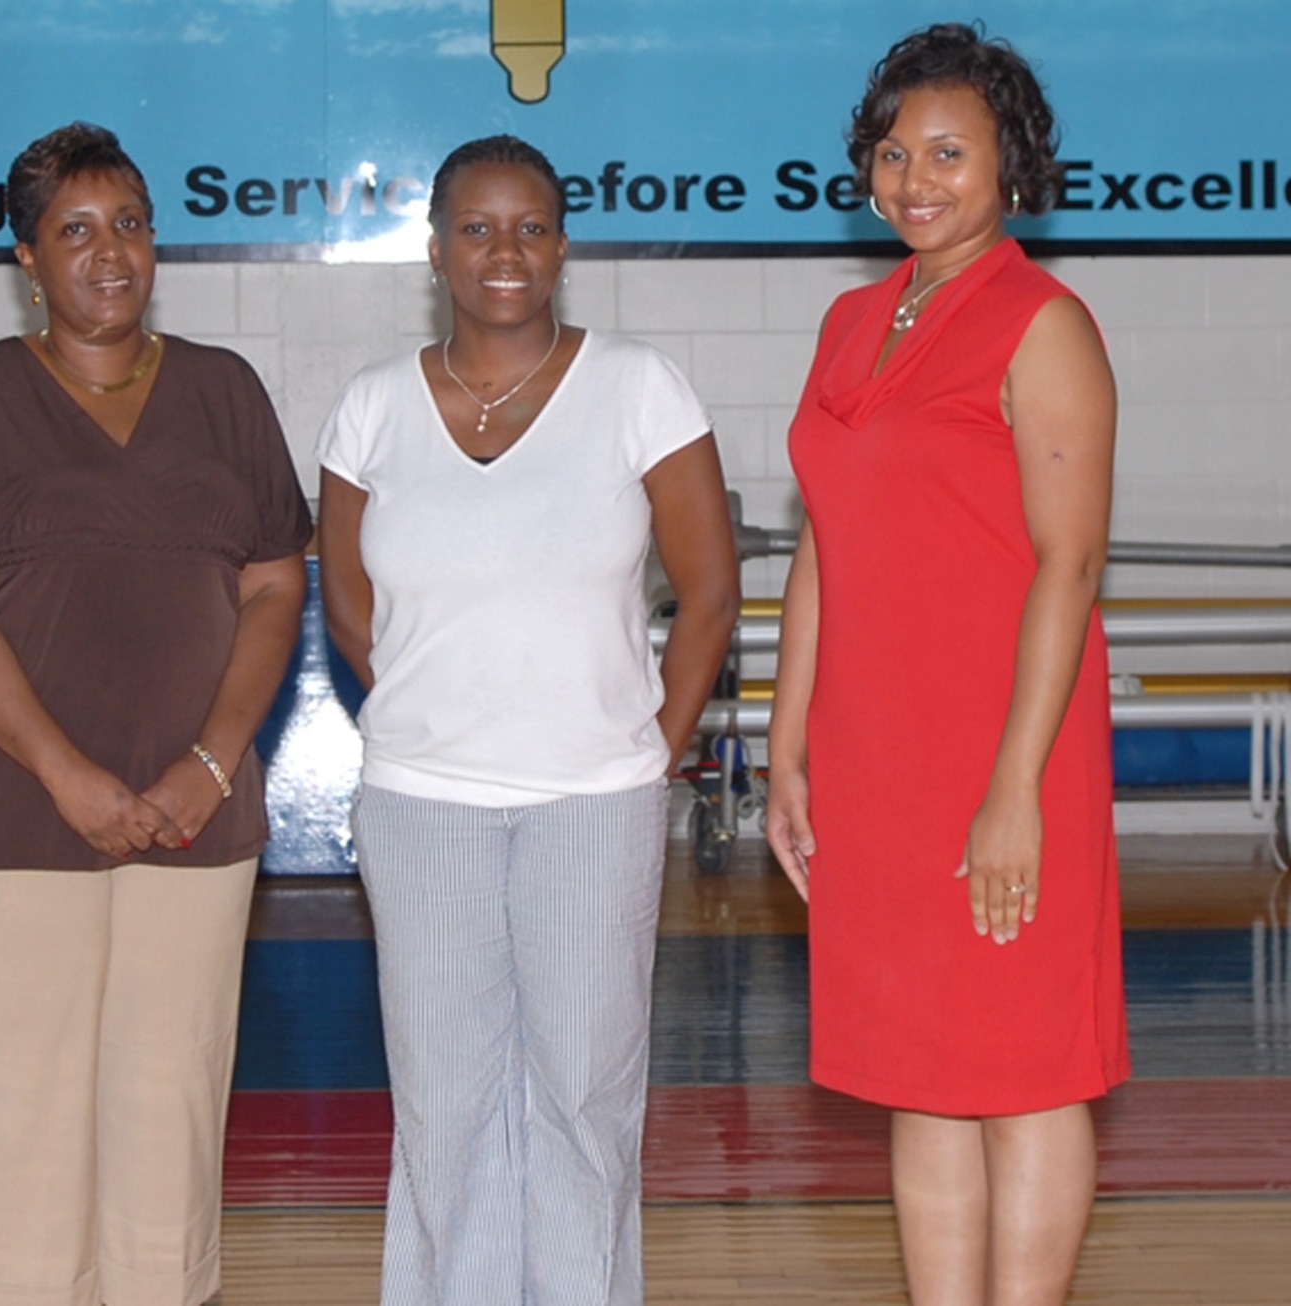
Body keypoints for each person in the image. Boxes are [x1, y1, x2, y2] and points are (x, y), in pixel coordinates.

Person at [0, 122, 311, 1306]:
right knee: (11, 1115)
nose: (108, 252)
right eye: (74, 230)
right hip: (8, 811)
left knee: (167, 1107)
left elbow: (277, 581)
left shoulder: (222, 390)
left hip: (194, 820)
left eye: (128, 224)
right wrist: (64, 772)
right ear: (27, 255)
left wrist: (211, 765)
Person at [317, 135, 740, 1305]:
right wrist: (422, 708)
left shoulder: (638, 387)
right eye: (475, 227)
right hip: (419, 804)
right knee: (442, 1105)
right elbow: (348, 603)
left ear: (561, 243)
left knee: (581, 1102)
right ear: (435, 245)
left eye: (531, 227)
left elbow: (706, 592)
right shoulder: (368, 408)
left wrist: (648, 745)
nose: (504, 251)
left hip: (589, 806)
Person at [765, 23, 1127, 1306]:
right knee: (915, 1070)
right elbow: (823, 541)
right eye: (890, 150)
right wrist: (785, 745)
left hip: (1000, 750)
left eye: (947, 152)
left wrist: (1014, 785)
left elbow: (1066, 569)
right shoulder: (847, 318)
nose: (911, 177)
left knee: (1023, 1071)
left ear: (1009, 169)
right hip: (875, 758)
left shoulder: (1043, 325)